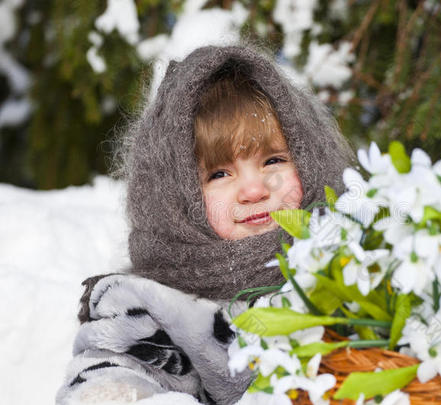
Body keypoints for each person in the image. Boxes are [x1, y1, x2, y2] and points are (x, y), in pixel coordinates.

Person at [56, 44, 355, 405]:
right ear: (176, 202)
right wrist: (117, 394)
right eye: (219, 173)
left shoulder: (354, 266)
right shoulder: (160, 308)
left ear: (311, 160)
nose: (254, 190)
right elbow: (115, 368)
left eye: (273, 160)